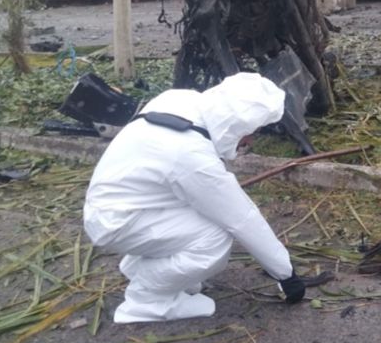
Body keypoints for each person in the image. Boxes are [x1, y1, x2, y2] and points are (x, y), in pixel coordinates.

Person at [83, 73, 305, 323]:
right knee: (214, 238)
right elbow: (241, 218)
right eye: (251, 131)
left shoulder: (181, 100)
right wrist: (286, 275)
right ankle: (147, 300)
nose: (251, 140)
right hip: (117, 221)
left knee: (202, 218)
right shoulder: (190, 155)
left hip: (121, 206)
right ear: (234, 124)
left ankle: (144, 271)